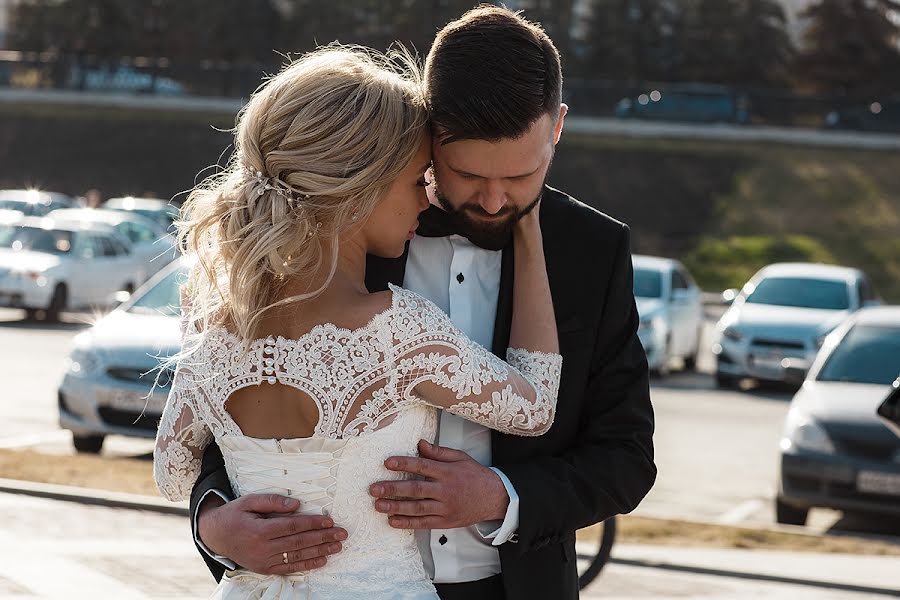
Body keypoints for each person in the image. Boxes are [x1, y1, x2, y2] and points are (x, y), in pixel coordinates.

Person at [189, 6, 656, 599]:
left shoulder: (591, 249)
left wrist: (499, 496)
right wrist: (213, 524)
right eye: (467, 175)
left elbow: (626, 456)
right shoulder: (349, 233)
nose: (492, 201)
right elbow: (224, 425)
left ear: (557, 127)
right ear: (428, 134)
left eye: (521, 175)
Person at [153, 43, 562, 600]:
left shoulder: (212, 328)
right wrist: (531, 233)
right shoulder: (397, 332)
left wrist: (218, 524)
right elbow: (534, 408)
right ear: (361, 186)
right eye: (418, 179)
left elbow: (173, 473)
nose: (427, 199)